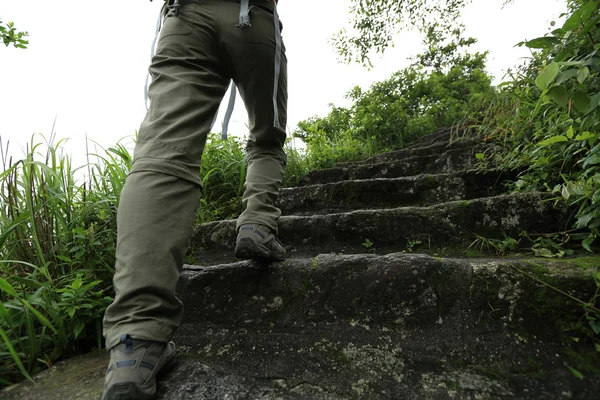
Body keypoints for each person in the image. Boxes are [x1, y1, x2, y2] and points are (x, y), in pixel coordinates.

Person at [101, 0, 287, 398]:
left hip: (184, 15)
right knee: (267, 138)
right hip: (250, 15)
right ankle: (257, 222)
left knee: (162, 153)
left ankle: (134, 344)